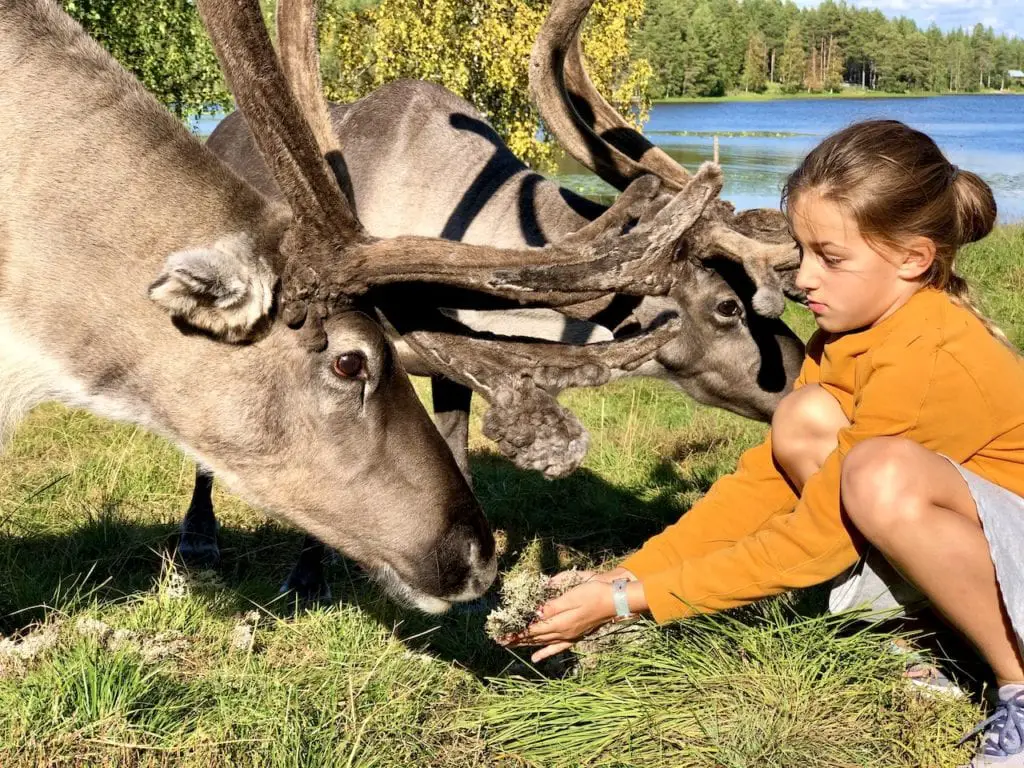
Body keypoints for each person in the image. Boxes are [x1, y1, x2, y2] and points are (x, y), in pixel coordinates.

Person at [501, 119, 1024, 766]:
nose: (803, 279)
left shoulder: (928, 354)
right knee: (804, 417)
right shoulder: (851, 336)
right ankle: (934, 635)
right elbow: (766, 487)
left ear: (914, 259)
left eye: (830, 259)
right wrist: (630, 574)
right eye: (802, 251)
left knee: (878, 475)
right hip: (985, 545)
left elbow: (814, 541)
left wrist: (627, 604)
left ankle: (1019, 686)